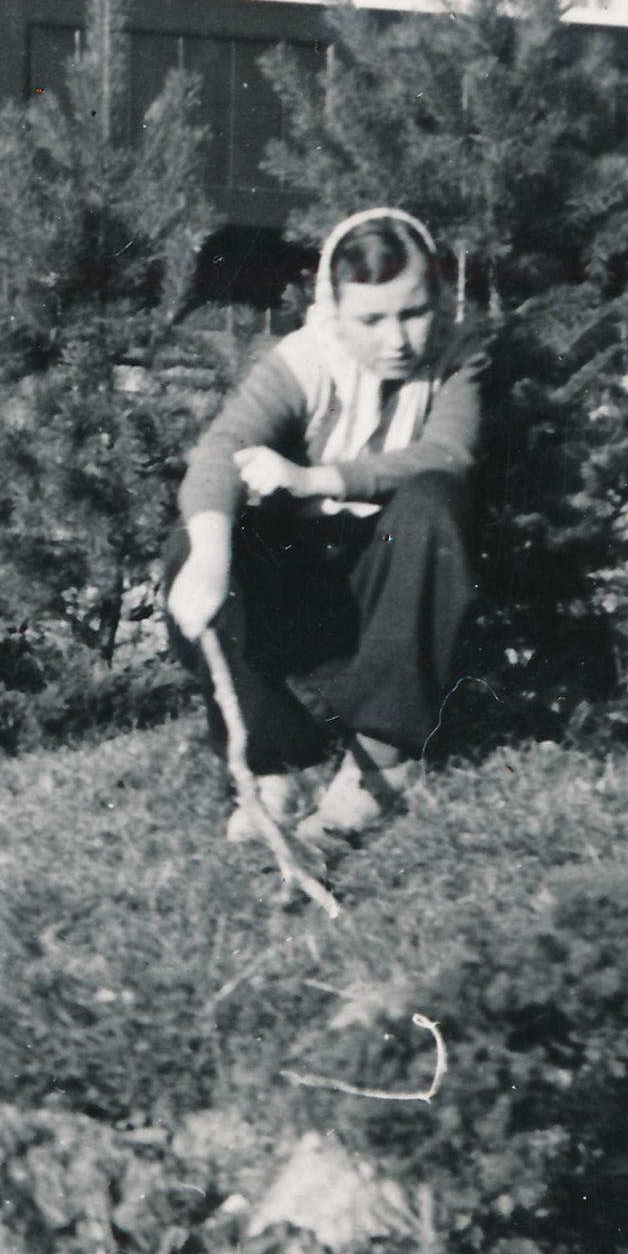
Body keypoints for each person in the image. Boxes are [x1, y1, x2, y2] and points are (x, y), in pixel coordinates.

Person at [164, 207, 484, 851]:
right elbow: (221, 450)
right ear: (334, 312)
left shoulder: (460, 353)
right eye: (371, 319)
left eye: (414, 312)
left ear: (439, 300)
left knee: (432, 502)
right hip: (308, 581)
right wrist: (210, 558)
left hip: (393, 579)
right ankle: (276, 760)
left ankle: (380, 762)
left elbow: (448, 453)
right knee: (190, 544)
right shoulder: (306, 359)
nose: (397, 340)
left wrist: (317, 480)